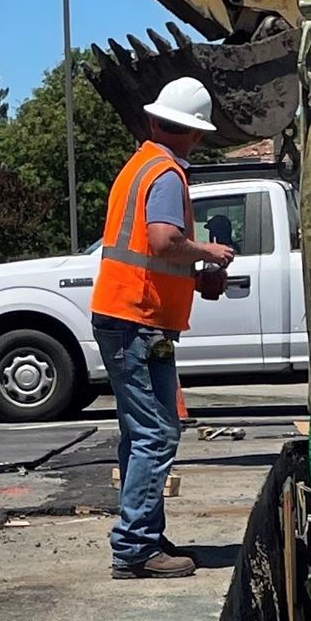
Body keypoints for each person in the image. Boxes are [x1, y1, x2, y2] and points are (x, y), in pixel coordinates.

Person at [89, 75, 234, 578]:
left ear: (154, 121)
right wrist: (209, 253)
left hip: (127, 315)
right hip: (138, 321)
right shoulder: (168, 174)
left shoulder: (140, 167)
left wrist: (196, 280)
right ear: (195, 134)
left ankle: (142, 533)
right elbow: (163, 240)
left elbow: (155, 257)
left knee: (140, 432)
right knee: (156, 433)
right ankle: (134, 547)